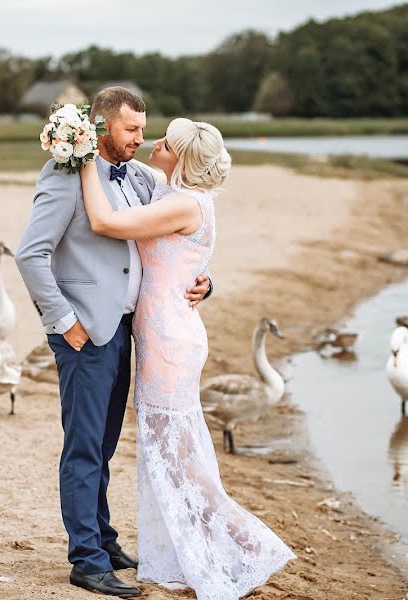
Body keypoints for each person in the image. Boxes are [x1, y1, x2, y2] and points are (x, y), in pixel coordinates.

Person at [78, 118, 295, 599]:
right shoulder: (179, 193)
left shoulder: (182, 202)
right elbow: (189, 259)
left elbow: (106, 223)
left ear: (181, 159)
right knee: (175, 452)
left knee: (176, 456)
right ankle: (192, 550)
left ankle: (248, 546)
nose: (156, 143)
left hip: (170, 342)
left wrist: (81, 163)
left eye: (167, 143)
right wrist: (206, 280)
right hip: (170, 334)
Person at [15, 86, 212, 597]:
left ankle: (103, 539)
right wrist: (64, 322)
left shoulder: (144, 178)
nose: (141, 141)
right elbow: (30, 255)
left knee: (103, 445)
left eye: (144, 130)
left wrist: (205, 282)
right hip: (85, 334)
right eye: (132, 130)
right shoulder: (63, 177)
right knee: (83, 447)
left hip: (127, 330)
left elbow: (181, 235)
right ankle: (85, 560)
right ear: (101, 128)